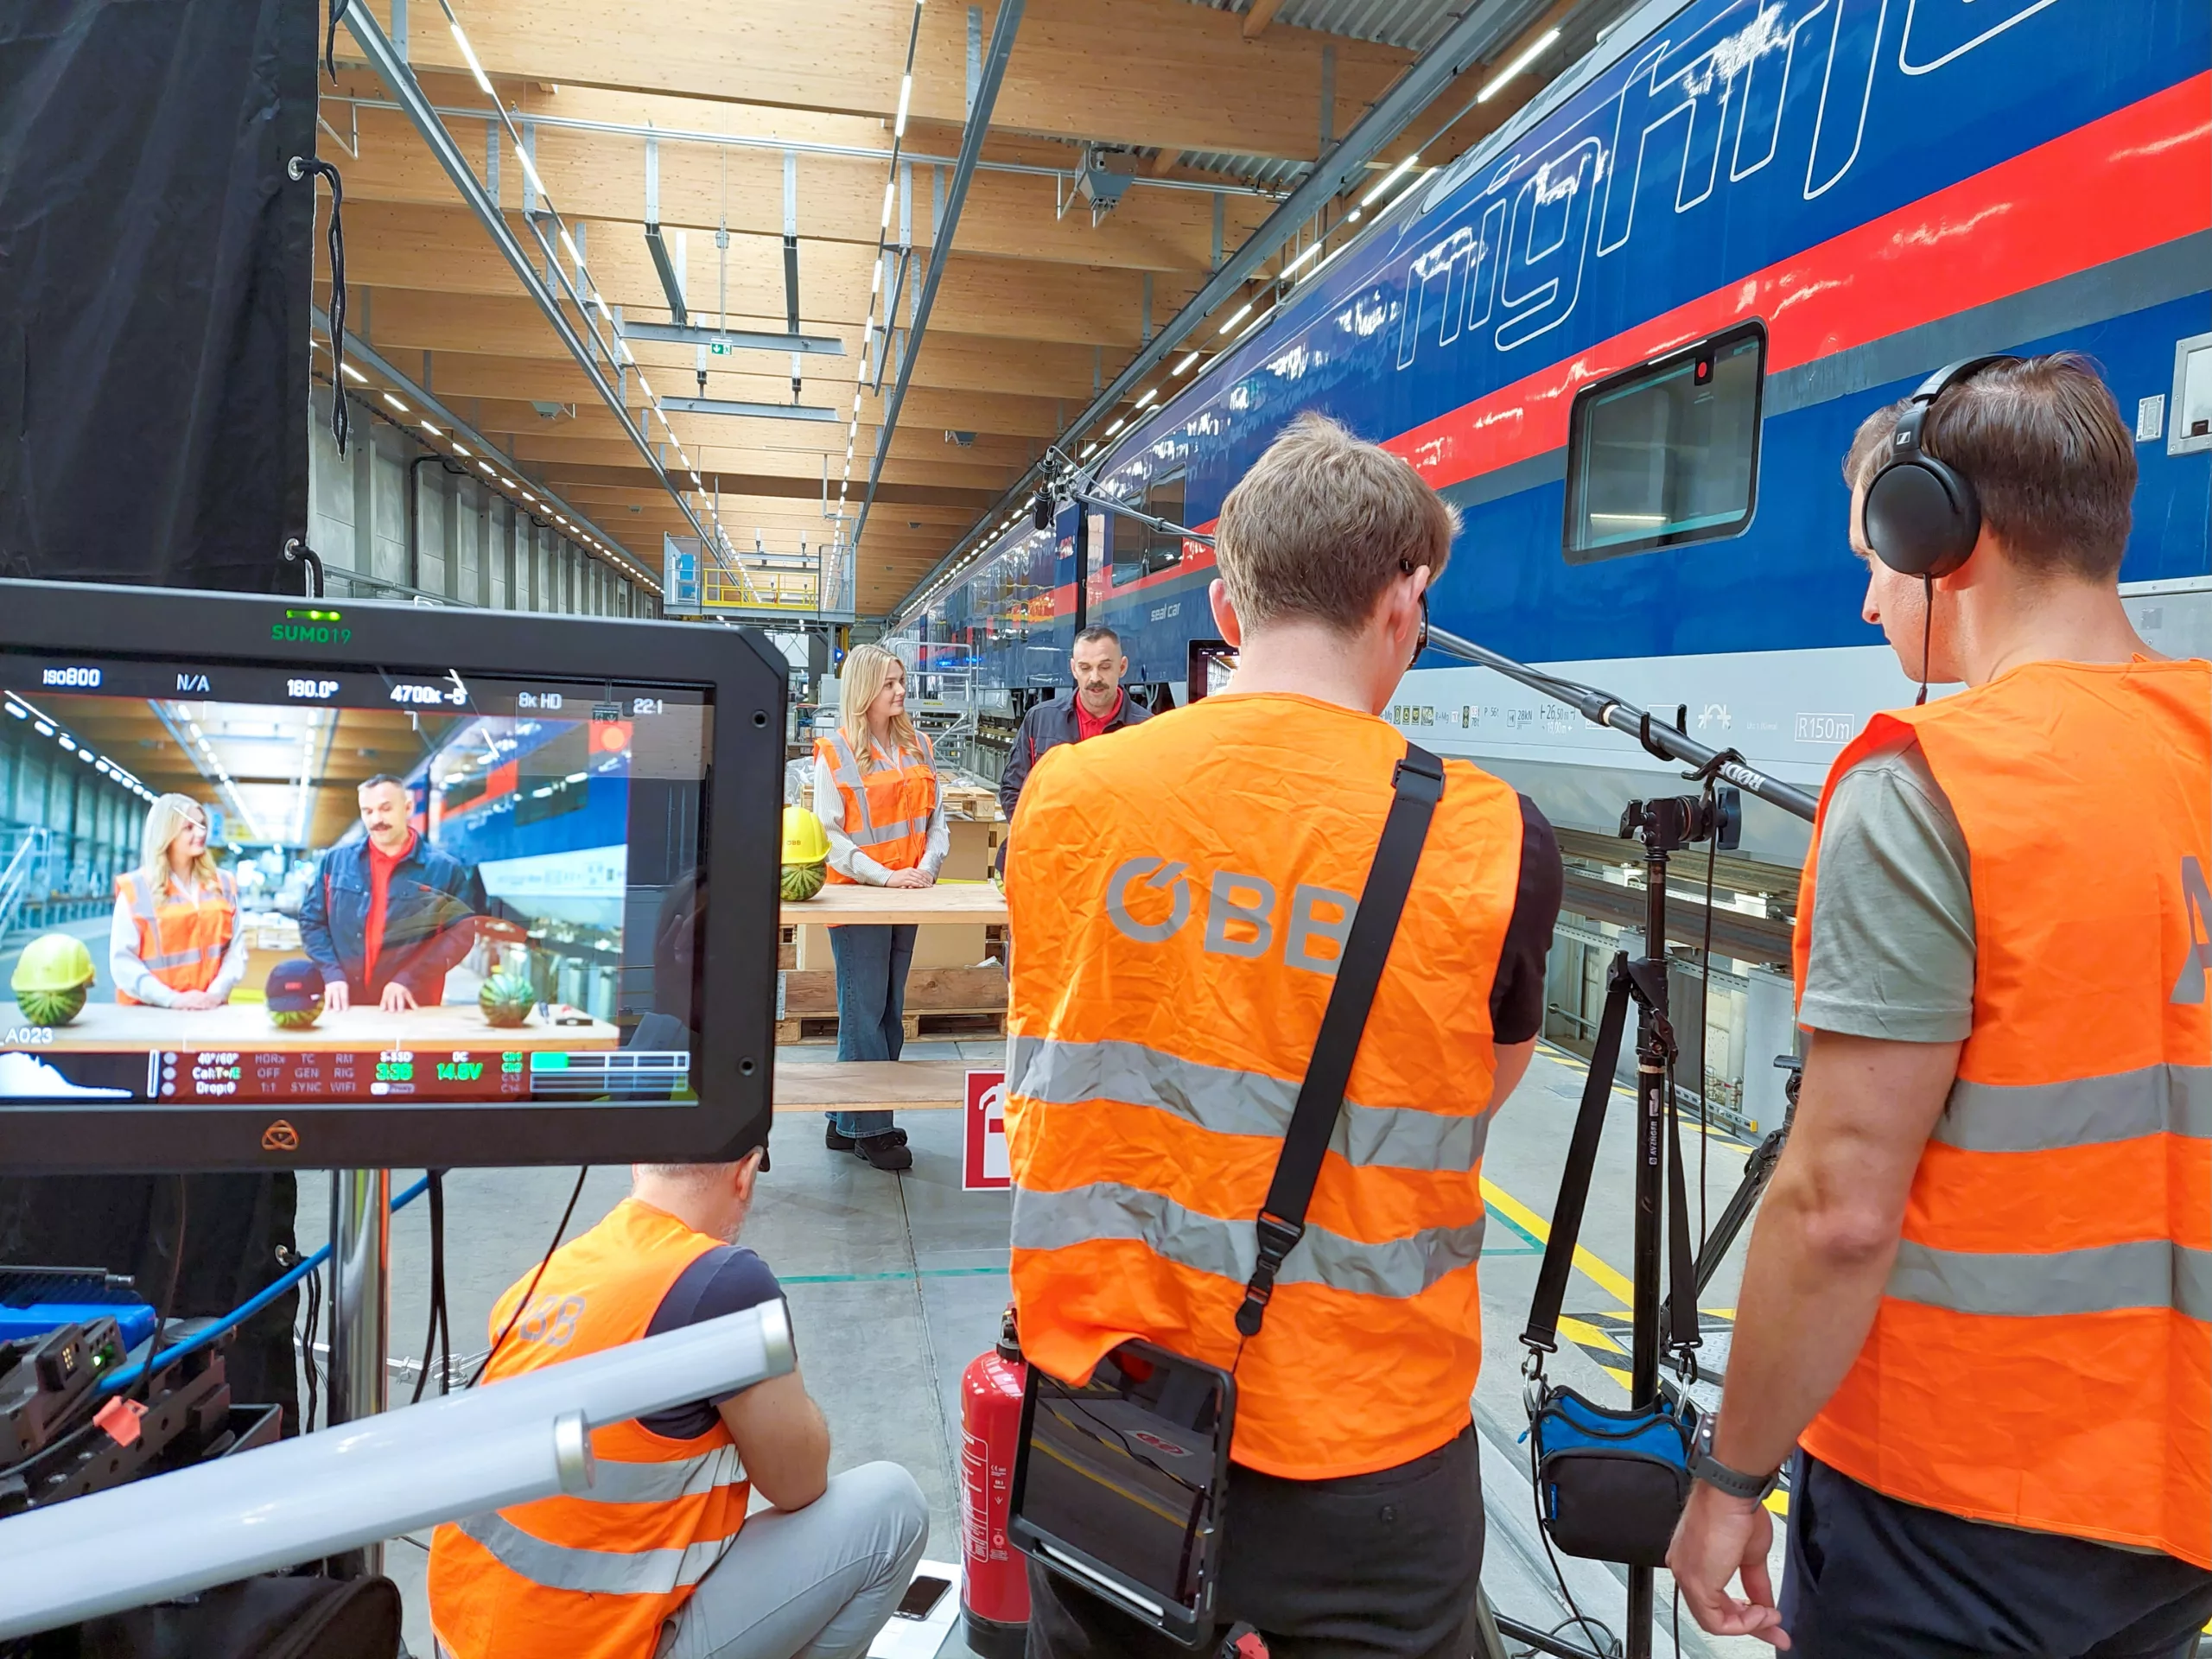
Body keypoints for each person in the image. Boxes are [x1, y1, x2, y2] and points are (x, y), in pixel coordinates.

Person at [1667, 353, 2212, 1656]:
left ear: (1941, 540)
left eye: (1874, 560)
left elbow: (1840, 1208)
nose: (1868, 601)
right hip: (2178, 1487)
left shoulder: (1930, 786)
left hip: (1963, 1498)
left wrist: (1732, 1479)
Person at [1003, 412, 1563, 1659]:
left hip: (1110, 1413)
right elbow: (1471, 1091)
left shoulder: (1067, 795)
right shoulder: (1490, 838)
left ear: (1226, 605)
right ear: (1404, 605)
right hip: (1366, 1453)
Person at [426, 1156, 931, 1659]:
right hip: (599, 1648)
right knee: (892, 1507)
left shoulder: (545, 1279)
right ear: (745, 1173)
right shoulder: (725, 1284)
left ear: (638, 1166)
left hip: (463, 1638)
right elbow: (798, 1483)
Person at [811, 645, 947, 1173]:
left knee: (887, 1009)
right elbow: (830, 836)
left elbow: (937, 820)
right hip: (860, 897)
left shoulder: (918, 745)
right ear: (864, 689)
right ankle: (871, 1127)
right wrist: (885, 875)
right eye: (889, 683)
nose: (900, 690)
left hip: (907, 892)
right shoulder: (836, 753)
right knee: (864, 1011)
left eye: (901, 680)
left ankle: (845, 1118)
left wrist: (928, 866)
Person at [298, 774, 486, 1013]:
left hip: (412, 1005)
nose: (376, 819)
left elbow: (459, 937)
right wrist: (331, 973)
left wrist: (410, 978)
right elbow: (312, 921)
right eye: (368, 811)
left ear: (408, 808)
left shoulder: (445, 870)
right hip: (346, 1006)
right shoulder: (336, 862)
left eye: (385, 809)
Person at [995, 626, 1151, 836]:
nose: (1094, 678)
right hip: (1049, 851)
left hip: (1115, 853)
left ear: (1122, 667)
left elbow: (1155, 806)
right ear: (1073, 669)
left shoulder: (1147, 730)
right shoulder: (1039, 720)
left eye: (1105, 667)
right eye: (1085, 668)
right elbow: (1012, 789)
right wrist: (1037, 838)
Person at [111, 792, 246, 1008]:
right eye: (189, 827)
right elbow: (123, 962)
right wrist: (172, 999)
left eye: (202, 825)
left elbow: (235, 951)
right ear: (166, 833)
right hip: (149, 1013)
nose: (200, 833)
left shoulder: (224, 884)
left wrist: (215, 994)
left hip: (209, 1010)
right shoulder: (136, 889)